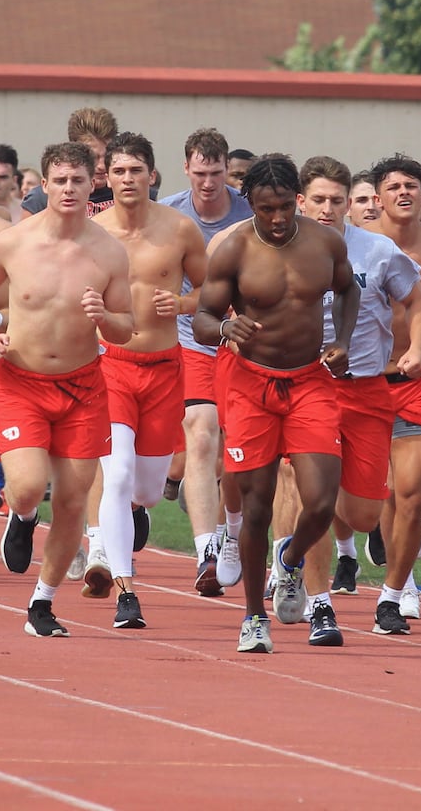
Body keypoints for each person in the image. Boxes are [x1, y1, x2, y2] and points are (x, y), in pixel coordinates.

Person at [0, 141, 134, 638]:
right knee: (26, 485)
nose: (68, 189)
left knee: (73, 499)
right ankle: (21, 514)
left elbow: (127, 326)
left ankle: (42, 602)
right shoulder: (14, 242)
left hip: (83, 388)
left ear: (91, 185)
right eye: (59, 181)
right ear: (43, 183)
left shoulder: (108, 251)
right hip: (22, 381)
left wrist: (106, 317)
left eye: (78, 181)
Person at [193, 154, 359, 654]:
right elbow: (201, 317)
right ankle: (252, 616)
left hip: (310, 381)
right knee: (257, 506)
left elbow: (348, 291)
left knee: (322, 502)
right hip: (251, 385)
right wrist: (224, 328)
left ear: (298, 200)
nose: (279, 218)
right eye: (268, 208)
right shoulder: (233, 249)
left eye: (286, 206)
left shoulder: (326, 242)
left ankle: (289, 560)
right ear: (252, 204)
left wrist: (343, 339)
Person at [293, 156, 421, 639]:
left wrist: (420, 345)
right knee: (318, 499)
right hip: (307, 388)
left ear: (351, 202)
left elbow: (416, 299)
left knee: (363, 512)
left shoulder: (378, 250)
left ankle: (321, 550)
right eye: (319, 200)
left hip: (368, 390)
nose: (327, 209)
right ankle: (319, 603)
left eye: (337, 200)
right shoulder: (280, 247)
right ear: (301, 201)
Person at [90, 133, 208, 628]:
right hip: (110, 366)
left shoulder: (180, 230)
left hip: (164, 369)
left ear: (152, 175)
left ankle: (135, 513)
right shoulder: (91, 233)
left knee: (146, 490)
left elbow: (211, 291)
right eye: (118, 171)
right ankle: (125, 587)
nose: (127, 179)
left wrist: (180, 303)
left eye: (136, 170)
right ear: (108, 177)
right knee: (114, 476)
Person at [160, 127, 254, 595]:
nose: (209, 182)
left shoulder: (251, 213)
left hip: (244, 343)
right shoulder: (172, 215)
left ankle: (228, 531)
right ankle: (206, 552)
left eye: (216, 173)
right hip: (192, 340)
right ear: (186, 169)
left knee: (234, 452)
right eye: (200, 173)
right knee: (200, 429)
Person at [367, 155, 421, 633]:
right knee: (368, 498)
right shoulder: (353, 247)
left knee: (412, 492)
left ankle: (394, 593)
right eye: (393, 186)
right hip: (361, 385)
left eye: (412, 185)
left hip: (416, 386)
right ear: (377, 197)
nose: (404, 193)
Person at [22, 107, 117, 215]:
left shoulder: (125, 193)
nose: (102, 166)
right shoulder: (41, 198)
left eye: (108, 156)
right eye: (93, 157)